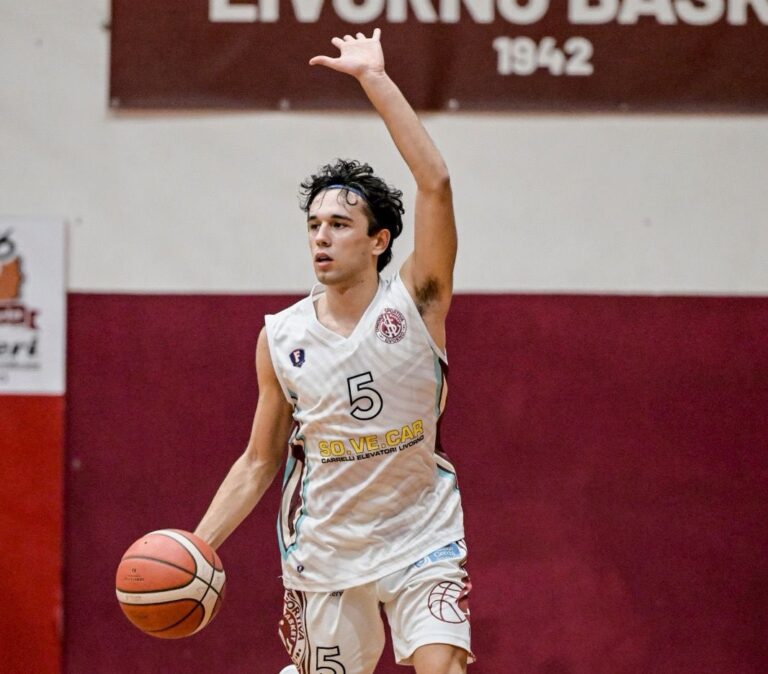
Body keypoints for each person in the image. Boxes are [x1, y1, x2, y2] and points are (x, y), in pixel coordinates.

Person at [194, 29, 473, 674]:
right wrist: (199, 545)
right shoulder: (281, 337)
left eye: (340, 225)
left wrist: (375, 79)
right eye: (314, 225)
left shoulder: (419, 300)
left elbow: (435, 183)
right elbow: (259, 461)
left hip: (422, 534)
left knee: (443, 668)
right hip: (327, 552)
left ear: (379, 241)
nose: (321, 237)